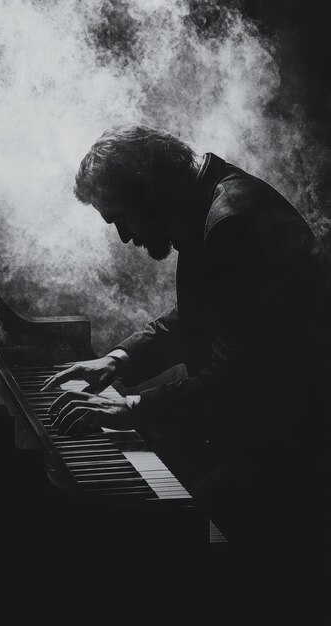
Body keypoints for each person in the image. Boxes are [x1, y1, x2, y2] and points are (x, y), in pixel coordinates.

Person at [41, 126, 331, 611]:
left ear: (148, 191)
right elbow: (206, 312)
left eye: (120, 218)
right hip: (259, 429)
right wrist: (119, 358)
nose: (125, 236)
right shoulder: (213, 202)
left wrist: (130, 407)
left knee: (144, 548)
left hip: (297, 452)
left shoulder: (231, 223)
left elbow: (241, 378)